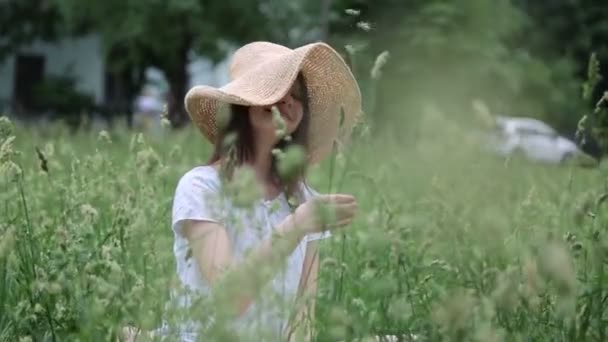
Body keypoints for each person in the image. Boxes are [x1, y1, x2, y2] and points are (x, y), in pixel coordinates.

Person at [155, 41, 362, 341]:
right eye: (277, 90)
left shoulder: (304, 199)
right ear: (243, 103)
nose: (288, 102)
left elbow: (303, 318)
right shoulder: (201, 187)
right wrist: (298, 225)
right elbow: (228, 301)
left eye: (297, 96)